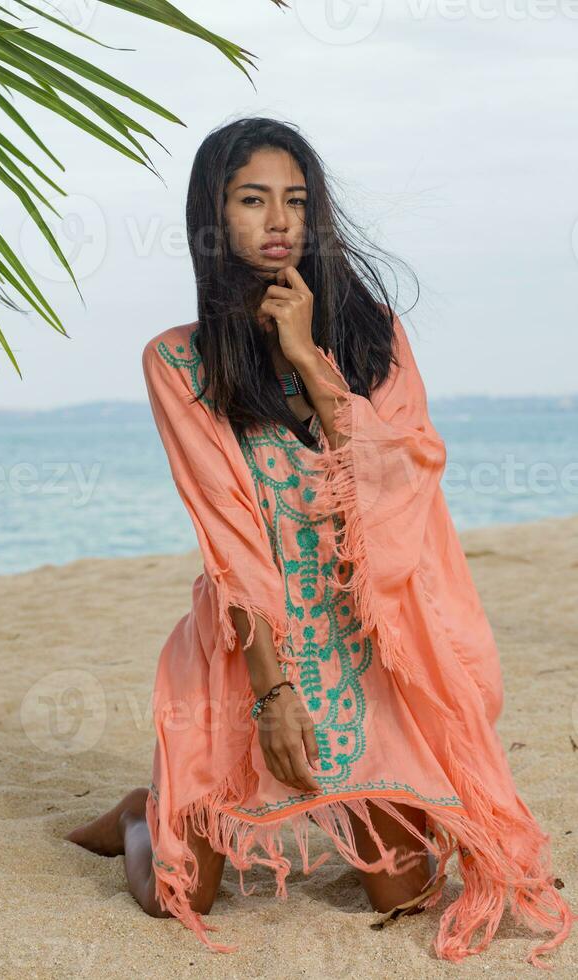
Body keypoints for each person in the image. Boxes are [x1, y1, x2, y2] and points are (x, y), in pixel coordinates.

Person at [65, 117, 575, 967]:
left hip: (370, 649)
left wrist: (307, 358)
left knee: (408, 895)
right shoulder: (179, 365)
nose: (277, 222)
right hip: (249, 650)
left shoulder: (374, 339)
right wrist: (272, 697)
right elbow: (229, 538)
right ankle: (143, 814)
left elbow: (408, 474)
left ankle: (260, 795)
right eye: (251, 199)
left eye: (295, 202)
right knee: (174, 900)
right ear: (212, 216)